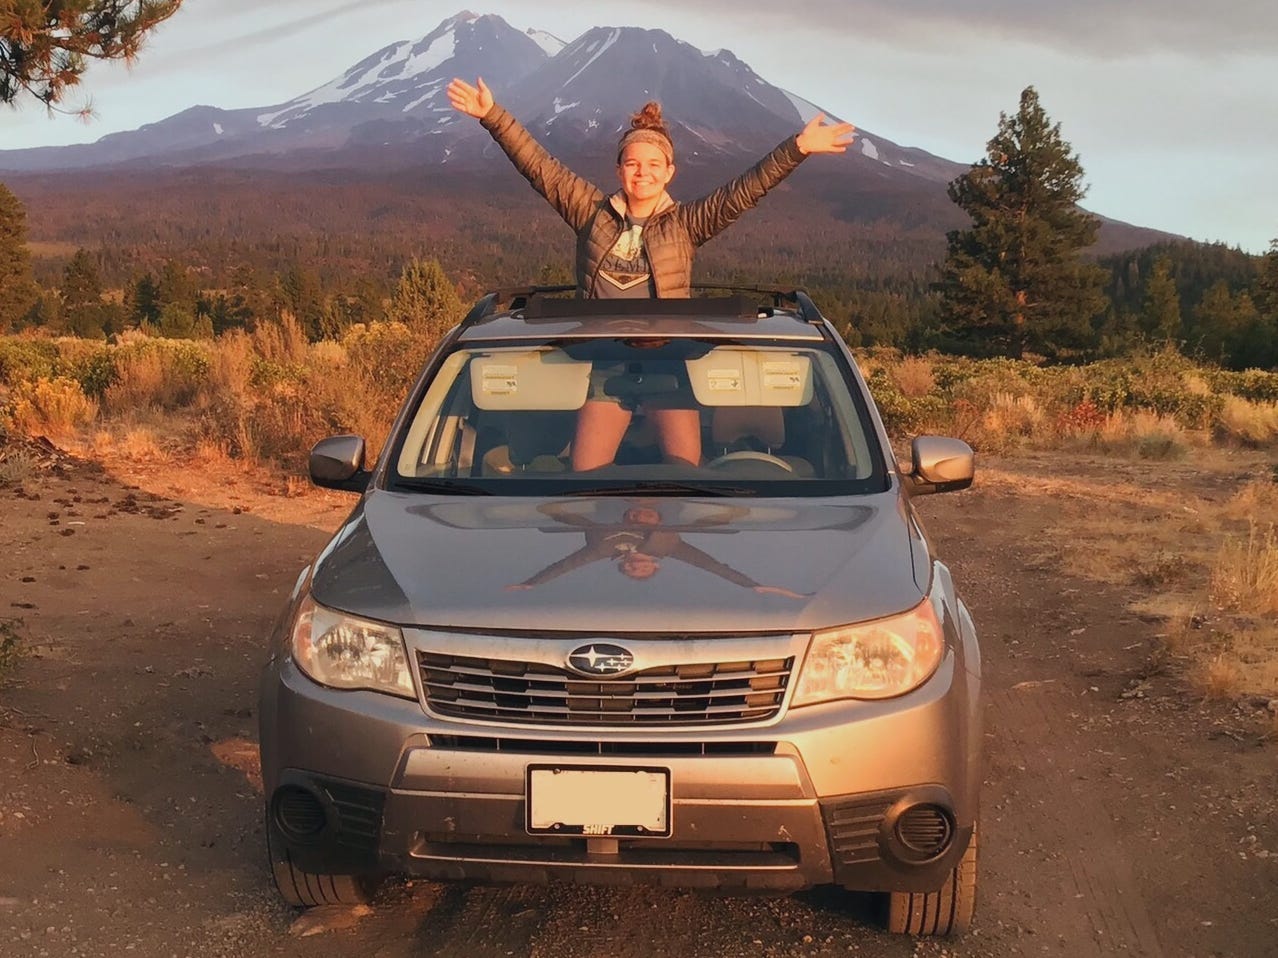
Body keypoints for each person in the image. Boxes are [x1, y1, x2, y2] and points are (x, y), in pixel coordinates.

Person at [447, 77, 855, 470]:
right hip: (604, 370)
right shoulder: (591, 213)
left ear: (670, 171)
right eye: (633, 163)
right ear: (619, 169)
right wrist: (493, 116)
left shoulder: (686, 225)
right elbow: (540, 167)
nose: (643, 172)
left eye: (654, 164)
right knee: (584, 477)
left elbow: (745, 190)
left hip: (669, 369)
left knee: (686, 479)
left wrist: (799, 147)